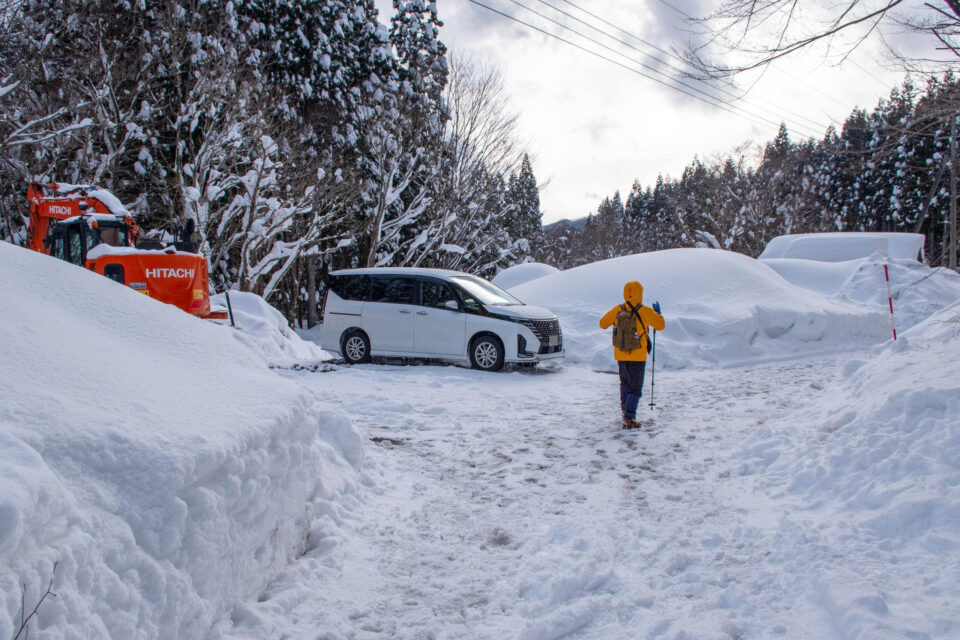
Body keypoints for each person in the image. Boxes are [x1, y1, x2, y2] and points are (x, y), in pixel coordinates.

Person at [599, 281, 665, 428]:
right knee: (635, 387)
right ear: (640, 293)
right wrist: (659, 314)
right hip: (637, 355)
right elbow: (660, 326)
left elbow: (602, 323)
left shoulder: (618, 309)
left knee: (625, 383)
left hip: (621, 354)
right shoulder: (645, 311)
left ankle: (625, 411)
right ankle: (629, 418)